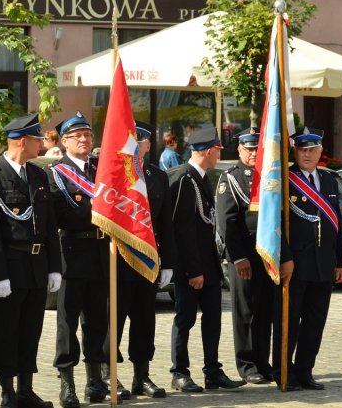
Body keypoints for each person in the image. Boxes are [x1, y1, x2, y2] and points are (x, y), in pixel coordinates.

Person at [0, 113, 62, 408]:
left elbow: (49, 225)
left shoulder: (38, 175)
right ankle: (7, 390)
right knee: (8, 331)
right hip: (11, 266)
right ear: (22, 141)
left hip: (37, 267)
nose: (41, 144)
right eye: (37, 139)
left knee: (31, 330)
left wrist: (54, 266)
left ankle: (26, 387)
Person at [104, 121, 177, 399]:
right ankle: (109, 376)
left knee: (145, 320)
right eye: (132, 141)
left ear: (148, 145)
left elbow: (165, 224)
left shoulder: (158, 176)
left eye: (142, 141)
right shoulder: (113, 174)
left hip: (148, 259)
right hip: (118, 259)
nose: (137, 146)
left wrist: (168, 262)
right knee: (115, 320)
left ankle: (141, 376)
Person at [169, 127, 245, 393]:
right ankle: (179, 372)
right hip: (192, 268)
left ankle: (212, 371)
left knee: (212, 319)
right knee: (185, 320)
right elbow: (182, 229)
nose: (218, 156)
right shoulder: (183, 179)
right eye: (216, 151)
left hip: (209, 264)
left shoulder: (201, 178)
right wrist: (192, 270)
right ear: (207, 151)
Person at [272, 127, 342, 391]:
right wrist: (285, 257)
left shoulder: (328, 180)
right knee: (289, 322)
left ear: (320, 151)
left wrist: (340, 260)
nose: (307, 154)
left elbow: (337, 222)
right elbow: (276, 222)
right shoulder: (284, 179)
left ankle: (305, 371)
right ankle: (284, 371)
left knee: (315, 323)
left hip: (323, 263)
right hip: (295, 264)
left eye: (312, 149)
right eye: (303, 149)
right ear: (295, 150)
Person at [45, 112, 111, 406]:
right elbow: (63, 214)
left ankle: (95, 381)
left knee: (98, 320)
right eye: (77, 136)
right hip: (72, 253)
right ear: (65, 141)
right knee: (67, 322)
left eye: (87, 135)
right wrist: (98, 210)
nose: (84, 140)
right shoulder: (56, 172)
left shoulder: (102, 169)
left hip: (100, 252)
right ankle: (67, 382)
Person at [215, 127, 274, 385]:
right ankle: (247, 364)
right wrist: (237, 257)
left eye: (256, 148)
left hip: (268, 254)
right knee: (245, 312)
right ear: (239, 149)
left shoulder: (270, 175)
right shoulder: (231, 178)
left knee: (265, 311)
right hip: (245, 257)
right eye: (248, 148)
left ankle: (263, 361)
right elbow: (226, 221)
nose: (252, 153)